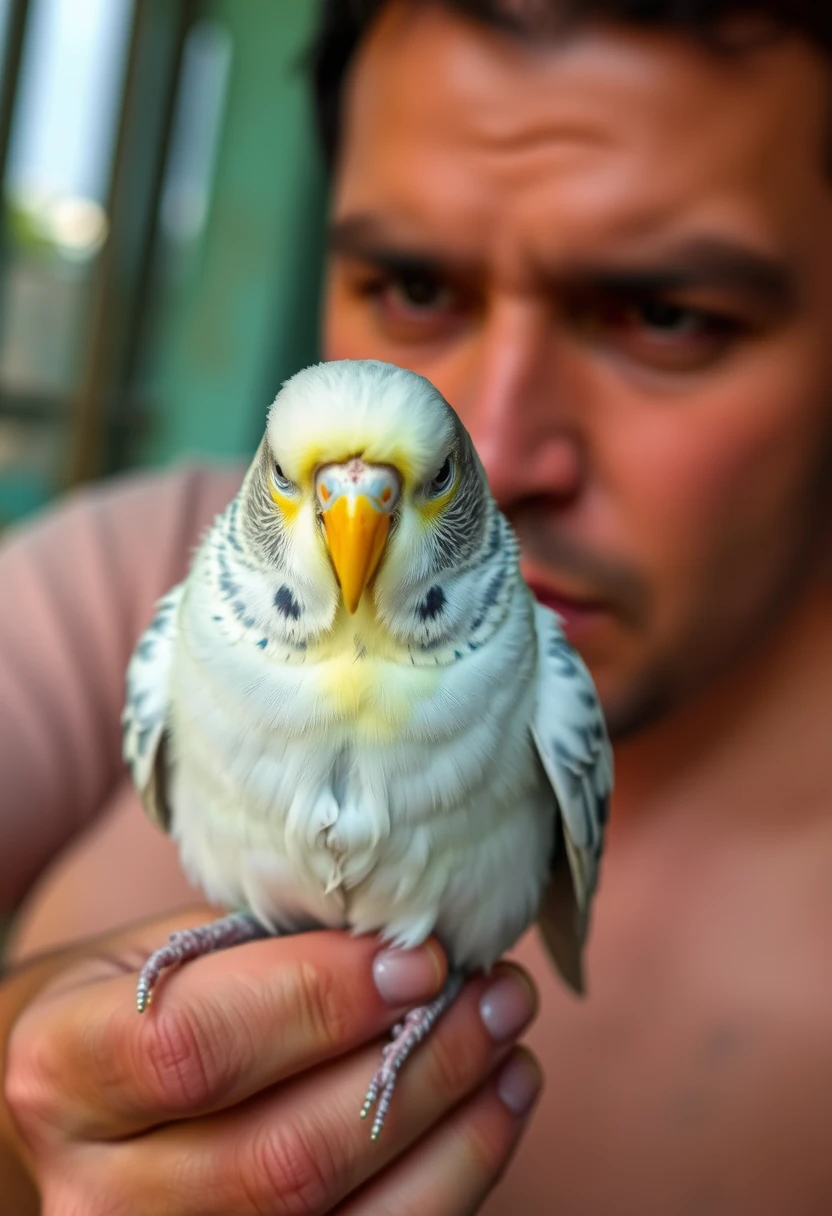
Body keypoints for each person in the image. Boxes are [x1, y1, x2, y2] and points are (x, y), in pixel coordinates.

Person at [3, 0, 832, 1210]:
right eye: (411, 284)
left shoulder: (547, 700)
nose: (499, 440)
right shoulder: (117, 596)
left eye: (665, 316)